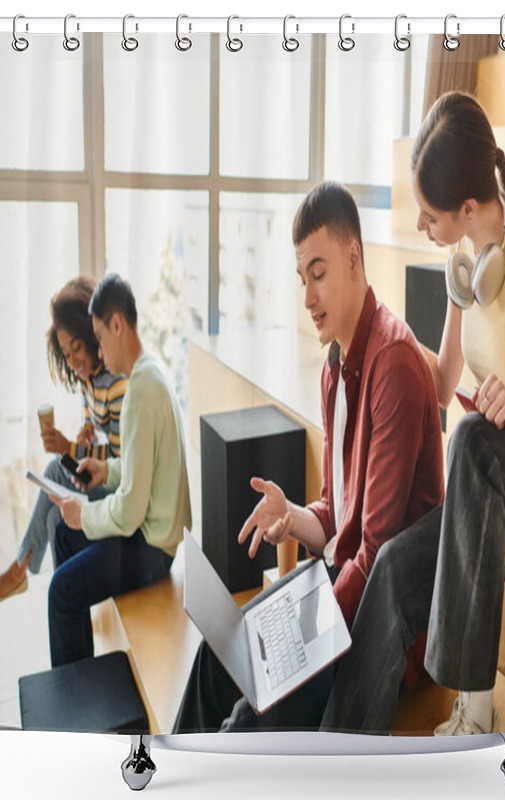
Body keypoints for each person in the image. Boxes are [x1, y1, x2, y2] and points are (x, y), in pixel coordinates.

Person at [321, 91, 505, 736]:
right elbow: (445, 381)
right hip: (495, 505)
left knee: (477, 436)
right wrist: (377, 332)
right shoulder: (463, 267)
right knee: (393, 565)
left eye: (430, 215)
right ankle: (335, 749)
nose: (421, 227)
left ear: (469, 207)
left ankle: (474, 710)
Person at [172, 181, 444, 733]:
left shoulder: (393, 364)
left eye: (318, 274)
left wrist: (295, 634)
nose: (308, 297)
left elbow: (372, 556)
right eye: (302, 279)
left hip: (375, 627)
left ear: (353, 259)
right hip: (337, 594)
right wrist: (294, 516)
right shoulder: (333, 367)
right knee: (214, 659)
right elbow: (336, 514)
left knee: (247, 721)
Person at [48, 273, 192, 668]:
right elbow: (137, 468)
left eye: (97, 335)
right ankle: (83, 677)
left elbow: (129, 513)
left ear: (117, 324)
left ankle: (78, 710)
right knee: (63, 537)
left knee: (62, 590)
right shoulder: (148, 373)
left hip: (152, 551)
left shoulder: (139, 392)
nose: (97, 348)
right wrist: (105, 471)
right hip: (154, 538)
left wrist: (84, 514)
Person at [0, 276, 128, 602]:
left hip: (119, 487)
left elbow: (119, 457)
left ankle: (20, 568)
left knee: (57, 466)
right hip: (104, 476)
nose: (73, 361)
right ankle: (67, 597)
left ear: (91, 336)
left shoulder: (116, 382)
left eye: (77, 349)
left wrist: (70, 447)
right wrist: (86, 430)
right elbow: (93, 417)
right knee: (57, 517)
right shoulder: (89, 380)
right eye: (66, 354)